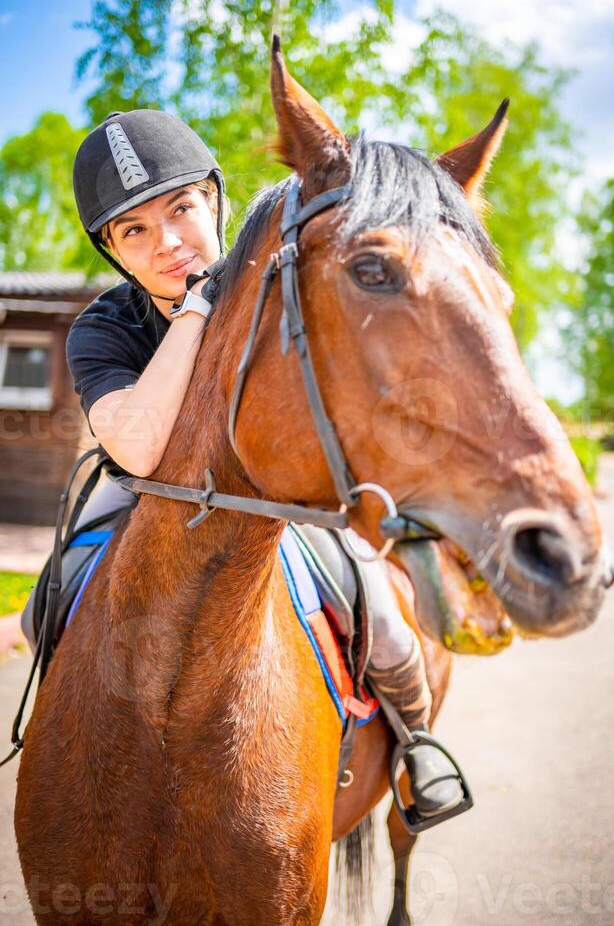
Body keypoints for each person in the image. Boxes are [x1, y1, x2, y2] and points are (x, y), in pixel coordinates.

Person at [22, 109, 463, 819]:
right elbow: (134, 446)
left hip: (272, 493)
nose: (166, 242)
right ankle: (60, 734)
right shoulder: (102, 327)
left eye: (182, 209)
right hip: (141, 493)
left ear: (214, 200)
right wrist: (198, 308)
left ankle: (416, 743)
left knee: (380, 606)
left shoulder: (285, 282)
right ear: (113, 250)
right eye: (134, 231)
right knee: (48, 596)